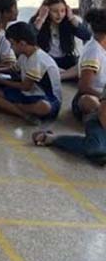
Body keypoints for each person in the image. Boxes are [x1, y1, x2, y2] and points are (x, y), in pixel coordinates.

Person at [33, 10, 106, 161]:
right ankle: (53, 139)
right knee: (96, 148)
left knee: (98, 148)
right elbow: (84, 87)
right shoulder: (94, 51)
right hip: (95, 103)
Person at [0, 21, 62, 125]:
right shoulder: (24, 55)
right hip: (28, 94)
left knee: (43, 107)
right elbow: (13, 69)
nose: (11, 47)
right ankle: (24, 113)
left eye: (12, 44)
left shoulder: (38, 59)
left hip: (47, 98)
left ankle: (16, 108)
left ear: (22, 43)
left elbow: (25, 86)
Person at [30, 0, 90, 81]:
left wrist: (72, 18)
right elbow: (28, 38)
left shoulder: (68, 22)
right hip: (47, 60)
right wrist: (41, 19)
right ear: (46, 11)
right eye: (55, 11)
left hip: (66, 60)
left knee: (84, 66)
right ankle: (59, 75)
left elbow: (86, 35)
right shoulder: (38, 21)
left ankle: (59, 76)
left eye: (62, 11)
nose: (59, 14)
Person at [71, 8, 106, 122]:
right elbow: (84, 87)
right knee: (88, 101)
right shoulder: (93, 52)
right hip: (93, 97)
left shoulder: (101, 46)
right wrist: (103, 96)